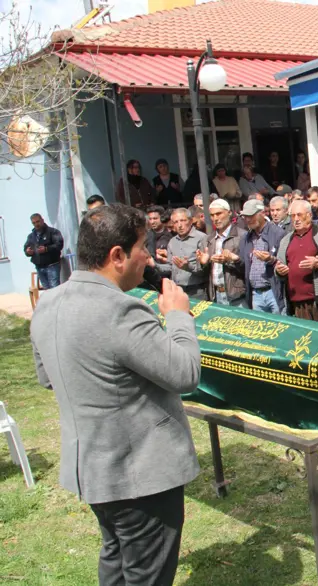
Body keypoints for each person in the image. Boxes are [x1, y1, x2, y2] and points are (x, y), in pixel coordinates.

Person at [30, 204, 200, 586]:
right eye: (143, 246)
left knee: (117, 559)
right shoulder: (121, 311)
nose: (148, 256)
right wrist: (177, 316)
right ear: (117, 256)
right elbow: (186, 373)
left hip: (93, 469)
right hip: (139, 475)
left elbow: (48, 378)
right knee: (145, 573)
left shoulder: (49, 303)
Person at [275, 200, 318, 322]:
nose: (296, 219)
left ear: (309, 215)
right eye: (293, 215)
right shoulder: (285, 240)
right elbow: (278, 266)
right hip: (297, 302)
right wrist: (279, 270)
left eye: (299, 215)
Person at [196, 199, 246, 307]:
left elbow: (248, 267)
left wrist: (232, 260)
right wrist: (204, 263)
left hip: (237, 295)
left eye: (219, 214)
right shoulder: (208, 239)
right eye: (212, 215)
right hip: (215, 295)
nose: (215, 218)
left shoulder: (242, 236)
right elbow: (202, 272)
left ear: (229, 213)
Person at [239, 199, 286, 314]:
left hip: (273, 291)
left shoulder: (278, 233)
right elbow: (243, 263)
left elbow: (285, 263)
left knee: (280, 327)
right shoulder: (246, 237)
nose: (248, 219)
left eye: (251, 215)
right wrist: (234, 259)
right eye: (245, 216)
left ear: (263, 213)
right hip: (255, 293)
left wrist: (270, 259)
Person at [158, 208, 208, 299]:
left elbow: (205, 270)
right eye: (176, 222)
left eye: (183, 220)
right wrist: (154, 265)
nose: (180, 225)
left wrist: (187, 267)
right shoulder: (172, 242)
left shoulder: (201, 238)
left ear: (191, 221)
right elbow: (170, 267)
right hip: (177, 290)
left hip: (196, 290)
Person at [24, 213, 64, 289]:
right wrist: (28, 252)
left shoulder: (53, 232)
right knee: (47, 291)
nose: (36, 224)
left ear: (42, 220)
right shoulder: (31, 236)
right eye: (34, 223)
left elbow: (59, 245)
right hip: (39, 267)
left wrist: (46, 249)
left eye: (38, 221)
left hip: (52, 265)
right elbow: (26, 248)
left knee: (54, 289)